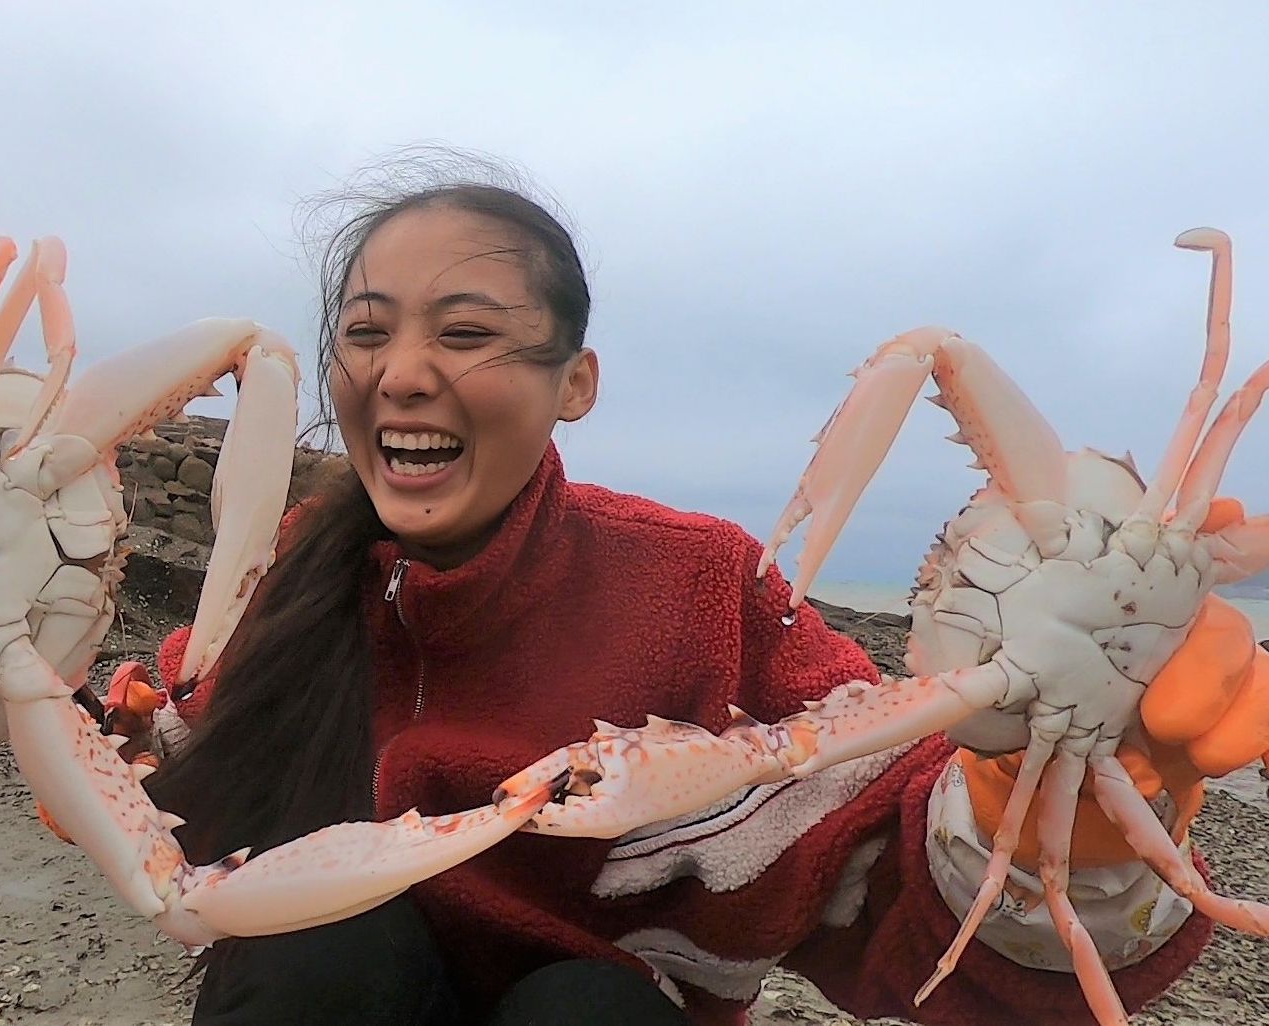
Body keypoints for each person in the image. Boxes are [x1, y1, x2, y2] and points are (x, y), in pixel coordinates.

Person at [116, 153, 1263, 1026]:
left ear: (579, 386)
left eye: (467, 333)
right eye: (365, 335)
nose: (402, 375)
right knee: (318, 957)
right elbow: (162, 745)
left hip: (617, 1006)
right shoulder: (279, 581)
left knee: (588, 1010)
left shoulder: (705, 583)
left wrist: (1079, 801)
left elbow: (891, 870)